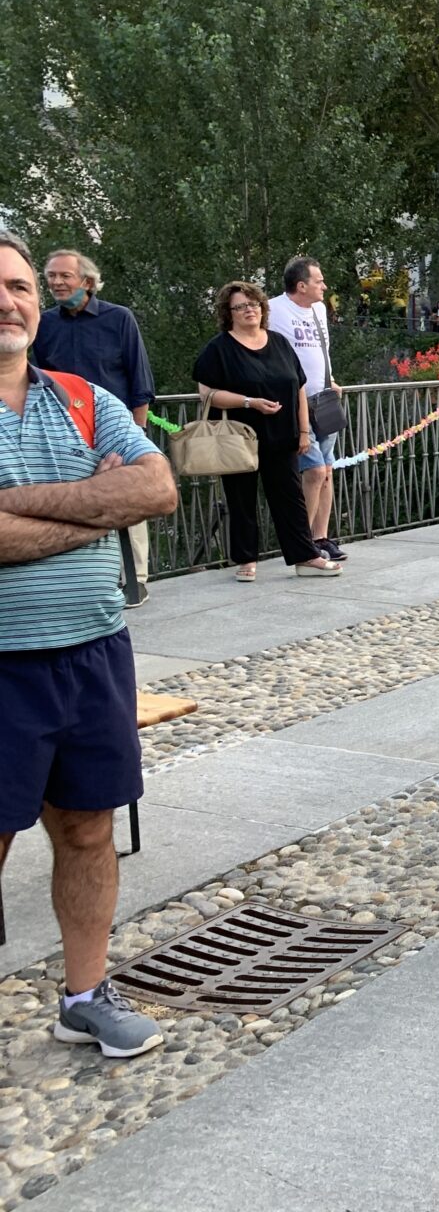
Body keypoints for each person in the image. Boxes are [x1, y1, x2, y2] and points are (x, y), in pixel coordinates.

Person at [0, 232, 179, 1057]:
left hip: (93, 652)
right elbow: (119, 499)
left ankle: (85, 995)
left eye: (19, 287)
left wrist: (21, 506)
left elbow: (156, 487)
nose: (8, 302)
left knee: (86, 830)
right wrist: (94, 508)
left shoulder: (80, 397)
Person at [32, 250, 157, 607]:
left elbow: (139, 379)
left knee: (126, 500)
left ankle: (136, 580)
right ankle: (85, 580)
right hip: (62, 429)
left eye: (64, 276)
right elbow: (37, 379)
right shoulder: (44, 324)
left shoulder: (119, 318)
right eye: (51, 276)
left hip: (113, 427)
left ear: (86, 281)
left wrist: (137, 433)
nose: (56, 282)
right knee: (72, 501)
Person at [194, 282, 341, 580]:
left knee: (290, 498)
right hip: (238, 438)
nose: (249, 310)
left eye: (253, 304)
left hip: (282, 435)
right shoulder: (219, 348)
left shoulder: (279, 342)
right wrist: (249, 402)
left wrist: (303, 431)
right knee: (241, 499)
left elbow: (298, 388)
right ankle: (246, 560)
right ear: (228, 313)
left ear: (262, 308)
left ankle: (305, 556)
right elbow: (207, 394)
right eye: (240, 306)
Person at [269, 257, 349, 563]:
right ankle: (301, 542)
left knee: (326, 471)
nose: (324, 286)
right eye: (319, 281)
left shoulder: (319, 309)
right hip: (295, 401)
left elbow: (320, 350)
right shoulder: (273, 309)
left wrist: (330, 378)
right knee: (313, 470)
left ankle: (321, 537)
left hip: (324, 398)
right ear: (301, 286)